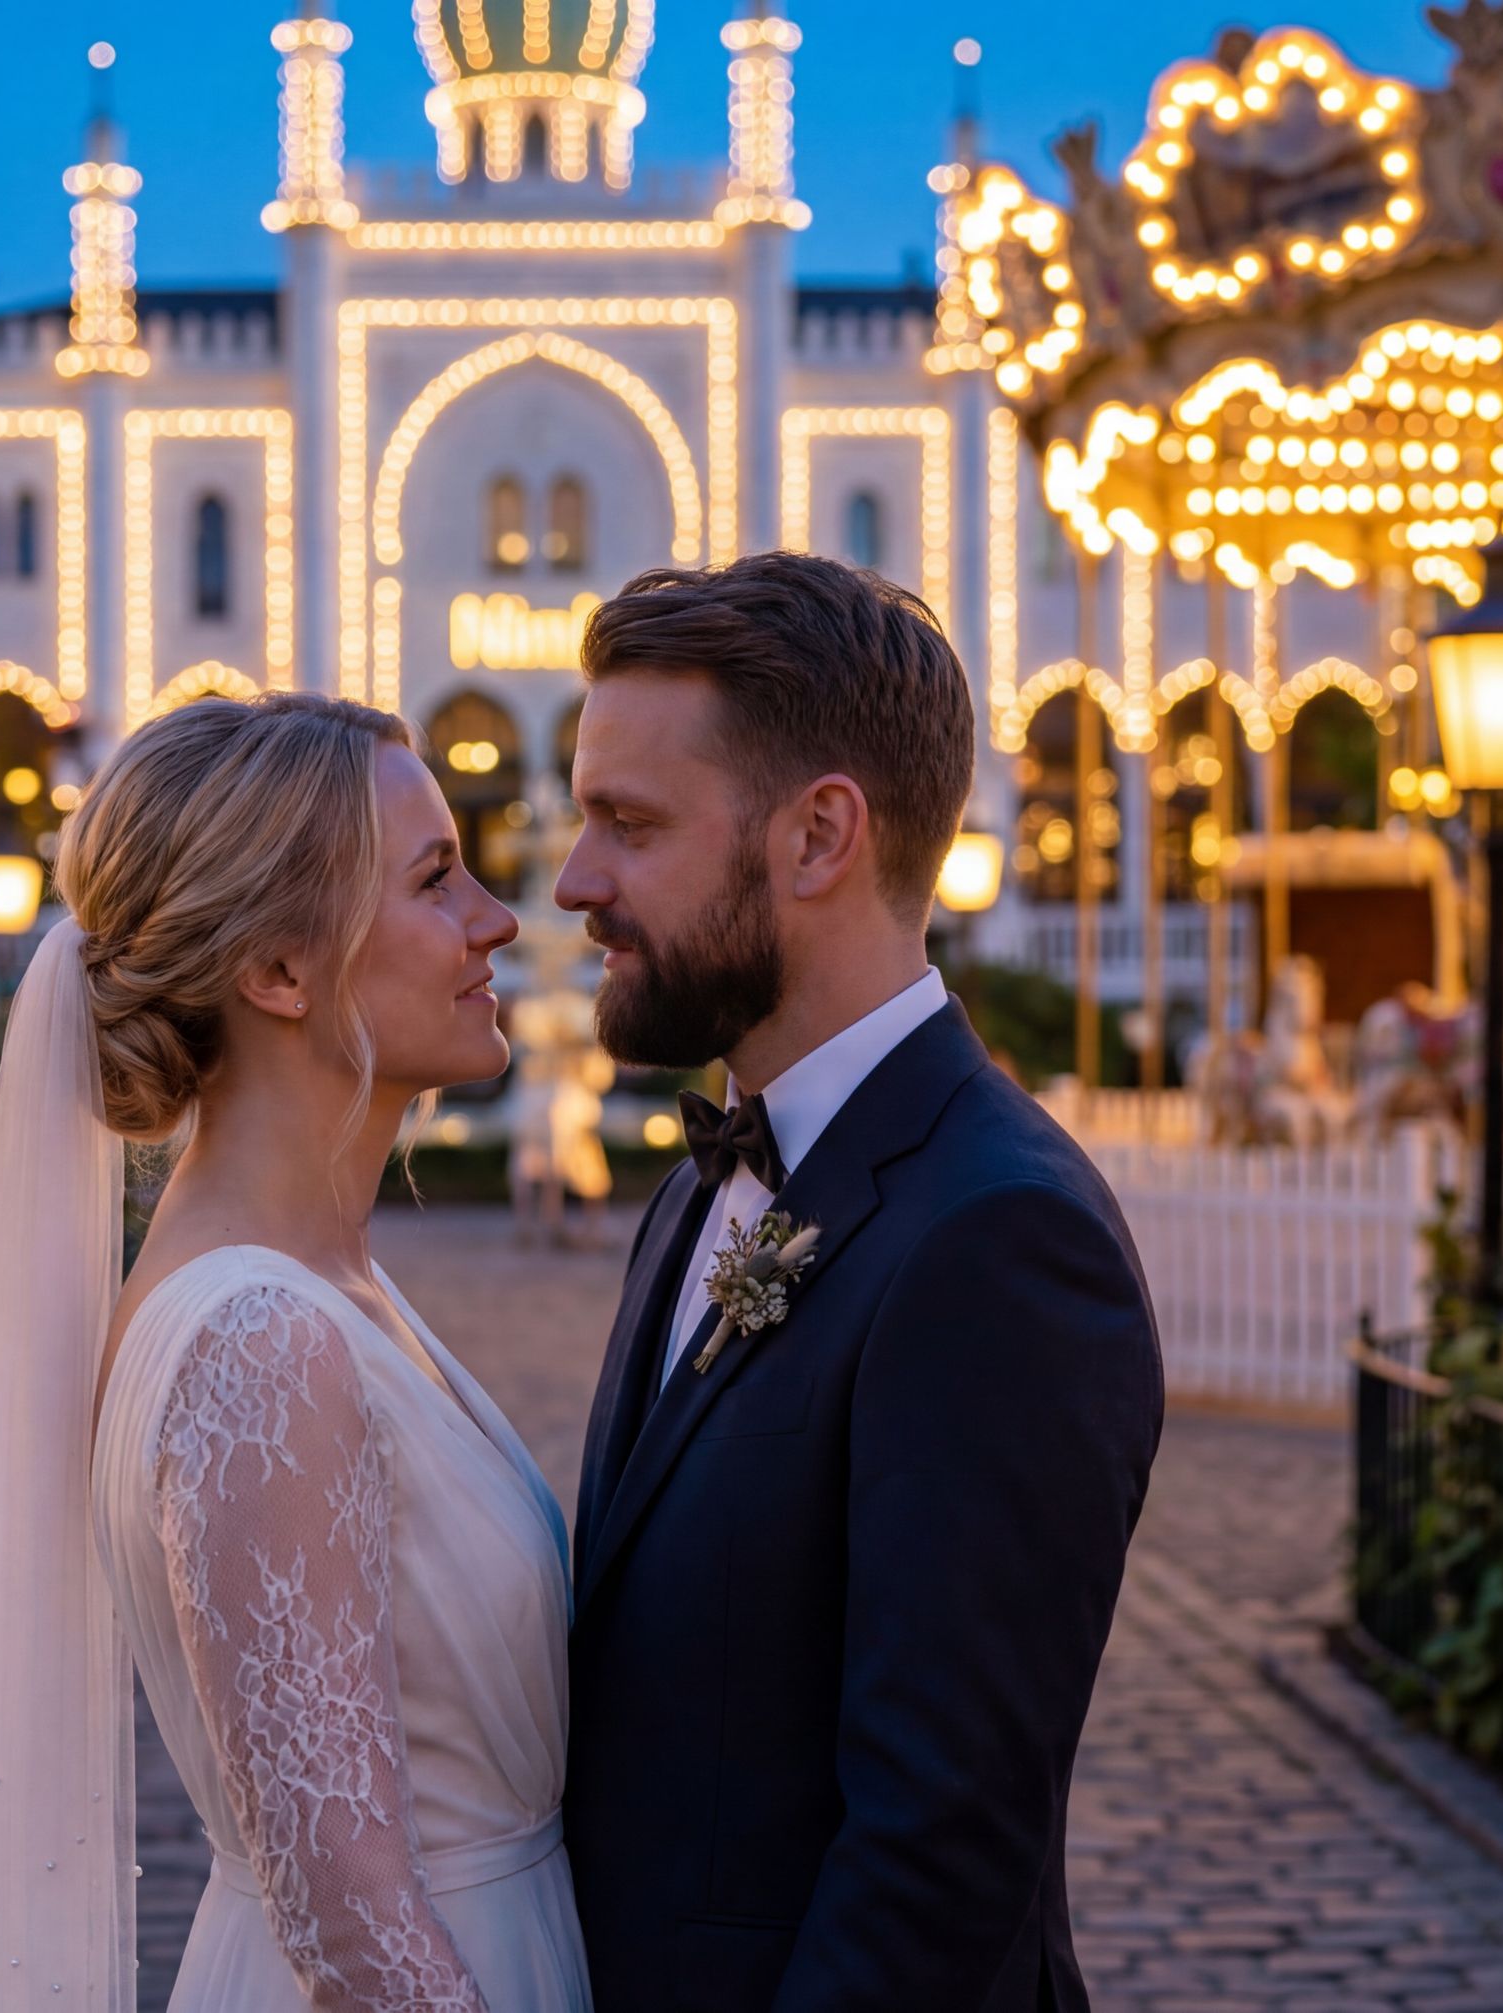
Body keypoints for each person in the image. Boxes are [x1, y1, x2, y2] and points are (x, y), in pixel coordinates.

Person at [0, 693, 587, 2010]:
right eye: (438, 878)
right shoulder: (262, 1340)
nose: (499, 916)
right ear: (277, 970)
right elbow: (350, 1916)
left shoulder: (323, 1284)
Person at [556, 551, 1165, 2013]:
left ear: (820, 832)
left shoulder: (1001, 1240)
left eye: (629, 825)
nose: (576, 883)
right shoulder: (702, 1187)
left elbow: (938, 1853)